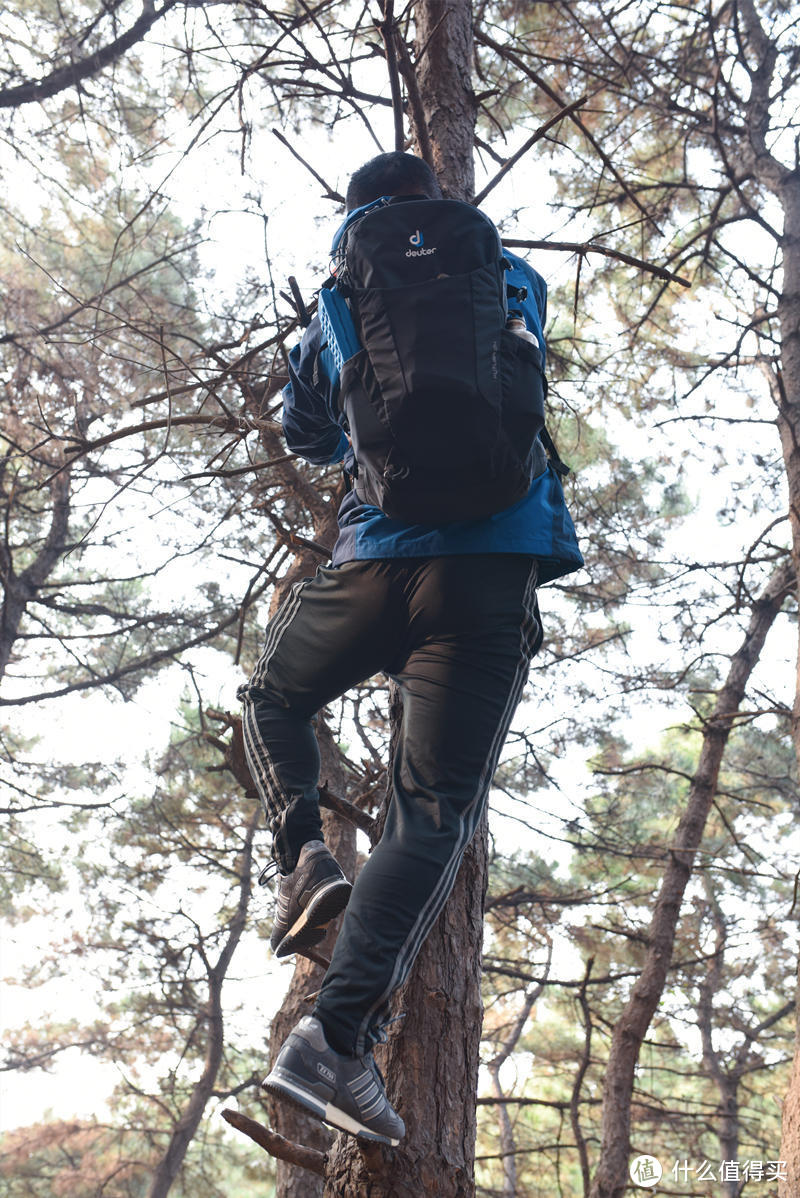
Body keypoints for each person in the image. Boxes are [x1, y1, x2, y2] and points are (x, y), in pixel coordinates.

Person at [238, 151, 583, 1146]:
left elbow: (309, 430)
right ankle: (331, 1040)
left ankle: (301, 850)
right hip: (489, 566)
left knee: (271, 695)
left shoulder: (339, 297)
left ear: (354, 219)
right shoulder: (506, 270)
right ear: (433, 199)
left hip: (375, 564)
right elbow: (521, 374)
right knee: (427, 814)